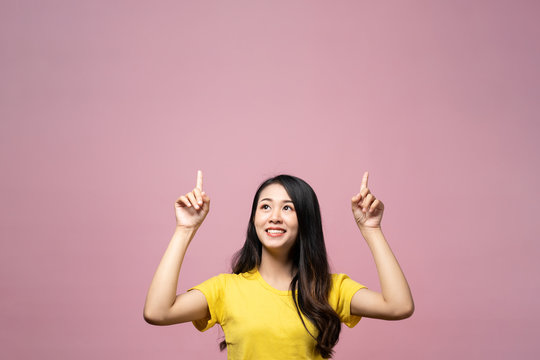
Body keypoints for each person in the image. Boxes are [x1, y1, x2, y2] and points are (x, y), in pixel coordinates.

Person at [143, 170, 414, 359]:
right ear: (253, 220)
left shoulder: (329, 288)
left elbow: (399, 306)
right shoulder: (226, 289)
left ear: (305, 221)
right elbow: (157, 312)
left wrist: (372, 229)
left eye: (288, 208)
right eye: (265, 207)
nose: (274, 217)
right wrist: (184, 228)